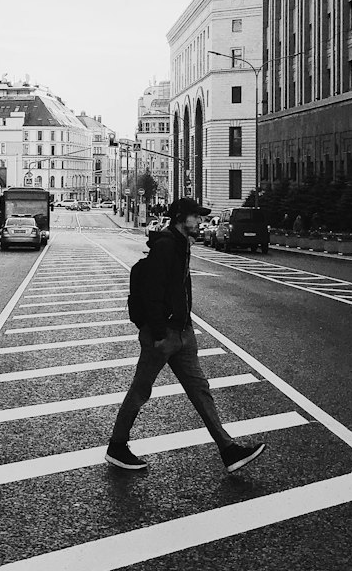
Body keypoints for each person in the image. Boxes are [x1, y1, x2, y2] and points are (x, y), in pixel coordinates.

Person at [105, 196, 267, 475]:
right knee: (141, 391)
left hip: (181, 332)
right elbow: (153, 293)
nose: (200, 221)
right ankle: (117, 447)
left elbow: (180, 289)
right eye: (196, 217)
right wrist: (158, 332)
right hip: (164, 334)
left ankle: (228, 450)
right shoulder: (167, 246)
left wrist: (186, 324)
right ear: (181, 217)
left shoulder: (182, 245)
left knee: (200, 390)